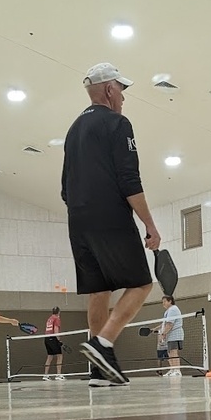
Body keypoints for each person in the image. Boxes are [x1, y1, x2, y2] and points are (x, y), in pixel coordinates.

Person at [61, 62, 162, 387]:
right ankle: (102, 344)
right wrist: (150, 225)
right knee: (141, 283)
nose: (124, 97)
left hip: (77, 219)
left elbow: (64, 186)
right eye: (122, 89)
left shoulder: (73, 129)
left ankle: (99, 372)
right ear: (109, 90)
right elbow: (129, 180)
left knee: (98, 290)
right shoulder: (118, 123)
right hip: (109, 215)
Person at [157, 295, 184, 377]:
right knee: (169, 352)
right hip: (170, 335)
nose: (163, 303)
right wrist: (154, 329)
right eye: (162, 302)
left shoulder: (173, 309)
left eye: (165, 301)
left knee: (173, 351)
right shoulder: (168, 311)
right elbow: (164, 324)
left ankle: (177, 370)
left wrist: (163, 334)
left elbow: (169, 324)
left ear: (170, 301)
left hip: (175, 334)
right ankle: (172, 369)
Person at [43, 307, 65, 381]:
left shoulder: (50, 318)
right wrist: (58, 340)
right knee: (59, 356)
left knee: (50, 356)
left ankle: (45, 375)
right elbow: (56, 329)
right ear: (59, 312)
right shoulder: (57, 318)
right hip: (53, 338)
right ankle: (58, 375)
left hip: (46, 338)